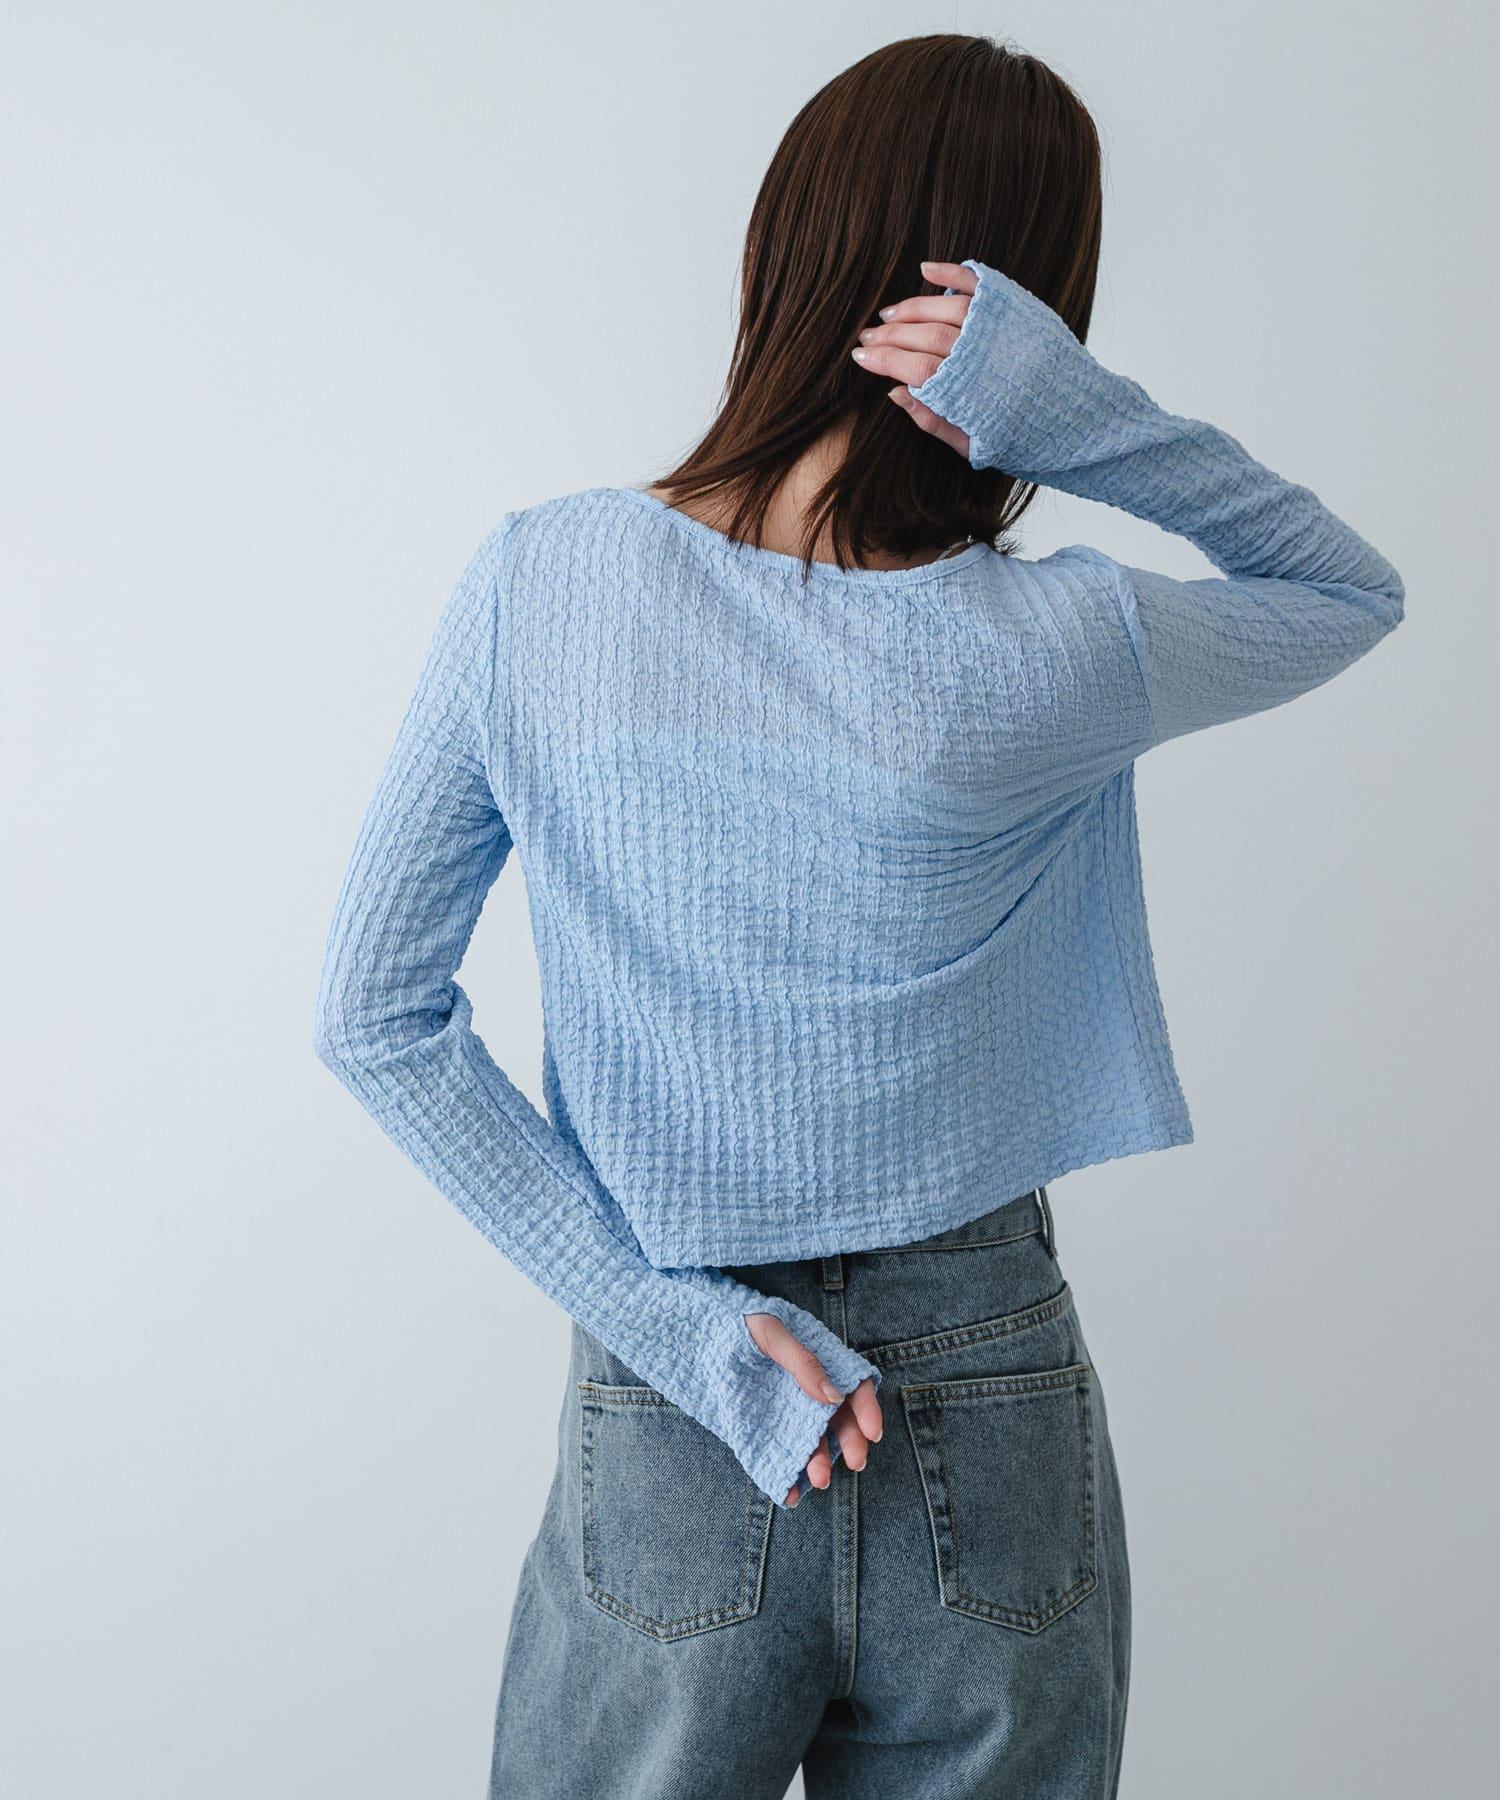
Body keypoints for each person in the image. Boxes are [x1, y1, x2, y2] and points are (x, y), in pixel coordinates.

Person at [311, 32, 1403, 1799]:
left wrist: (677, 1331)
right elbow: (1346, 591)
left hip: (681, 1378)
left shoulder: (546, 583)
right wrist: (1085, 421)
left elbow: (374, 1017)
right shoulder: (1059, 644)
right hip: (989, 1381)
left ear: (784, 248)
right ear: (1033, 314)